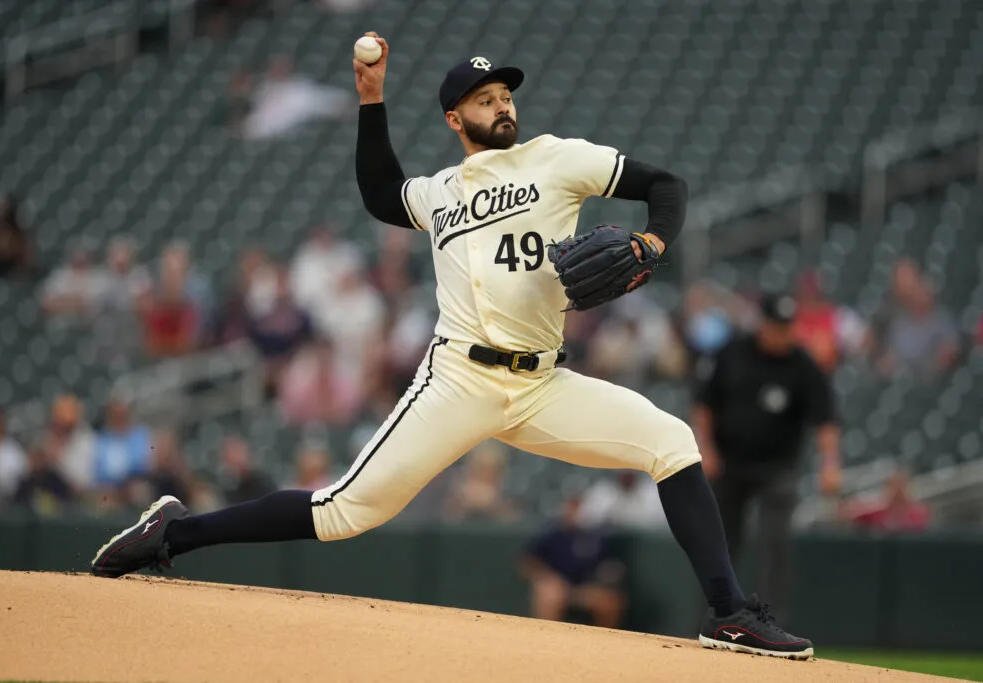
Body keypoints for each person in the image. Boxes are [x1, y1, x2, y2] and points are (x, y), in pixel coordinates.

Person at [90, 35, 813, 659]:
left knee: (671, 439)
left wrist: (653, 241)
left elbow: (666, 184)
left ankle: (728, 615)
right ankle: (173, 533)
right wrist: (371, 98)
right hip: (458, 381)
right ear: (454, 118)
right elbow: (380, 193)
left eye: (505, 93)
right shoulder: (438, 192)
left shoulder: (557, 158)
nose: (501, 105)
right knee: (346, 510)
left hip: (541, 385)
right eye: (484, 97)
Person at [693, 293, 841, 626]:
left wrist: (830, 464)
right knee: (720, 544)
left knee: (775, 546)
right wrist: (707, 449)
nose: (782, 334)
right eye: (776, 326)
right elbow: (704, 404)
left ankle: (771, 624)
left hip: (777, 467)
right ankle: (713, 617)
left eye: (787, 327)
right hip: (729, 463)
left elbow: (826, 418)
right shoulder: (733, 352)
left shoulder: (802, 363)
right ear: (763, 324)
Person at [522, 495, 626, 628]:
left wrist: (608, 575)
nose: (575, 512)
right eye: (572, 507)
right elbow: (528, 561)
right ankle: (547, 637)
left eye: (578, 507)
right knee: (549, 594)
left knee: (609, 601)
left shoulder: (595, 536)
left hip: (585, 588)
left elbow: (608, 565)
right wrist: (547, 577)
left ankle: (603, 643)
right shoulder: (551, 533)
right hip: (558, 587)